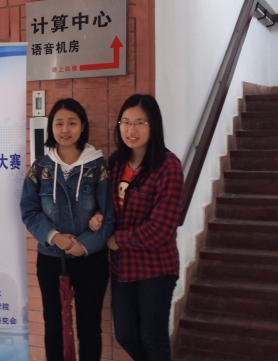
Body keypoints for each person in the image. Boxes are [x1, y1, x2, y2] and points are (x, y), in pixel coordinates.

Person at [20, 98, 116, 361]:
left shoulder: (98, 166)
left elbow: (109, 217)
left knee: (89, 328)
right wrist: (53, 236)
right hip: (51, 259)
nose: (65, 129)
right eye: (59, 123)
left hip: (91, 260)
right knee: (54, 327)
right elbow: (29, 211)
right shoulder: (40, 167)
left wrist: (85, 244)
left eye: (72, 123)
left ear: (82, 126)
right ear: (51, 128)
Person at [90, 94, 184, 361]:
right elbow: (107, 203)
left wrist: (117, 240)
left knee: (152, 337)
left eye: (140, 122)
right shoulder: (116, 162)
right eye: (126, 122)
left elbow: (161, 227)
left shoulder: (168, 166)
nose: (131, 130)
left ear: (153, 125)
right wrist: (98, 216)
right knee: (125, 334)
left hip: (156, 267)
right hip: (123, 266)